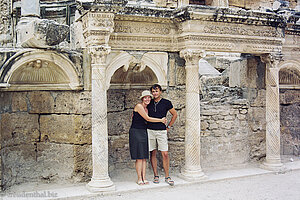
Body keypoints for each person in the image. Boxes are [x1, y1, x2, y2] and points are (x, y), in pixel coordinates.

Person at [129, 90, 167, 185]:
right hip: (136, 131)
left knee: (144, 156)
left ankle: (144, 177)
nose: (147, 99)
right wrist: (161, 120)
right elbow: (148, 119)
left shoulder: (147, 108)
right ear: (142, 98)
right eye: (145, 97)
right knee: (139, 156)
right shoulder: (139, 106)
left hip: (144, 132)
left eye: (149, 97)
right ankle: (139, 178)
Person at [147, 84, 177, 186]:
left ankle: (167, 176)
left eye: (156, 91)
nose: (155, 93)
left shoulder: (166, 102)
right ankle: (156, 175)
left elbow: (175, 114)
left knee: (165, 154)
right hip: (150, 130)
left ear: (160, 92)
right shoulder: (149, 102)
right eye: (153, 91)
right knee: (153, 153)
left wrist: (168, 126)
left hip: (161, 131)